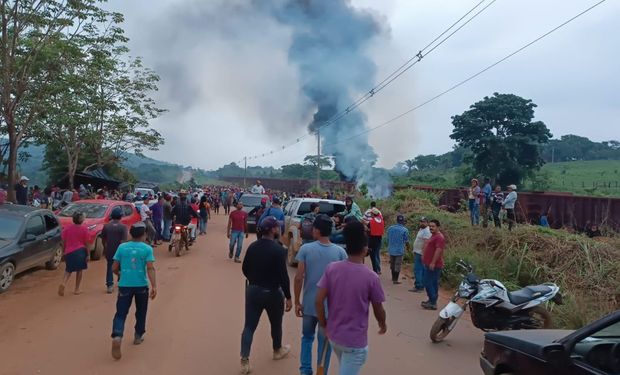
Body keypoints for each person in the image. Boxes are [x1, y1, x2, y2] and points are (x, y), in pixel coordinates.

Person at [316, 221, 387, 375]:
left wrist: (323, 323)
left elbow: (319, 300)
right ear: (365, 249)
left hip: (334, 336)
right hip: (355, 342)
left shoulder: (332, 269)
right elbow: (378, 308)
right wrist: (382, 323)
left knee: (344, 366)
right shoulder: (371, 277)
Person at [294, 214, 347, 375]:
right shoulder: (340, 253)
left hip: (309, 305)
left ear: (316, 230)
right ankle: (321, 371)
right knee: (325, 343)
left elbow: (298, 277)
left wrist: (297, 301)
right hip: (329, 308)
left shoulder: (306, 249)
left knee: (307, 338)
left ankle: (305, 370)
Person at [239, 217, 292, 374]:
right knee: (276, 324)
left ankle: (244, 361)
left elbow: (245, 269)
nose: (279, 229)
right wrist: (288, 297)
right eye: (277, 227)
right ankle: (277, 350)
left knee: (249, 326)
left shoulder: (253, 247)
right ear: (273, 230)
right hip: (273, 293)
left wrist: (255, 280)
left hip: (253, 290)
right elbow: (283, 276)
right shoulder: (279, 251)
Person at [110, 222, 157, 360]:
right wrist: (154, 286)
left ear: (131, 234)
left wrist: (120, 274)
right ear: (144, 235)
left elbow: (114, 267)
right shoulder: (147, 249)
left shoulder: (122, 247)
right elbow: (150, 268)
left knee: (120, 313)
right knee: (141, 311)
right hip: (141, 285)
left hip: (125, 285)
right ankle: (138, 335)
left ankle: (117, 335)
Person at [58, 212, 90, 296]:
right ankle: (77, 289)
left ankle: (63, 283)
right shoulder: (84, 229)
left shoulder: (67, 228)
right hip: (80, 251)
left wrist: (64, 251)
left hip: (69, 251)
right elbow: (87, 243)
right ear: (81, 220)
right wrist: (88, 254)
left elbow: (63, 241)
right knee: (79, 270)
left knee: (68, 269)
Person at [101, 207, 127, 294]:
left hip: (109, 250)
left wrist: (105, 248)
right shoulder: (123, 227)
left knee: (109, 267)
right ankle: (121, 281)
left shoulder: (106, 226)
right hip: (120, 251)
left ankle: (109, 285)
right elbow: (124, 241)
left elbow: (103, 239)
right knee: (121, 266)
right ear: (120, 216)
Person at [421, 219, 445, 310]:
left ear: (438, 227)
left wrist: (433, 262)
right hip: (429, 263)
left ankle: (433, 301)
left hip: (434, 265)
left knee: (428, 282)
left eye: (433, 226)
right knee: (432, 283)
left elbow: (439, 250)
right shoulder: (433, 236)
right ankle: (431, 300)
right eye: (430, 226)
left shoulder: (439, 237)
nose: (431, 228)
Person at [409, 217, 431, 293]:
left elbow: (426, 243)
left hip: (420, 253)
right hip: (418, 252)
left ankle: (419, 286)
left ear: (427, 223)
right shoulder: (422, 229)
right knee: (421, 270)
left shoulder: (427, 231)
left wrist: (423, 253)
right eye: (421, 221)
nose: (422, 223)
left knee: (418, 270)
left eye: (424, 222)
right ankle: (420, 285)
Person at [386, 215, 410, 285]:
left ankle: (393, 277)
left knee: (392, 264)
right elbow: (406, 241)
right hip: (399, 250)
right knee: (398, 264)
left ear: (396, 220)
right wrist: (408, 248)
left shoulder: (390, 228)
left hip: (391, 249)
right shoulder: (405, 230)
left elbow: (388, 238)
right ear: (403, 221)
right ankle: (395, 280)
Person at [367, 205, 384, 275]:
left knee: (372, 255)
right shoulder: (381, 221)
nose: (370, 214)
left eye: (371, 213)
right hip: (379, 238)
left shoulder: (372, 221)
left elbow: (368, 228)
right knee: (377, 254)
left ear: (373, 214)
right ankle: (378, 268)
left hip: (372, 239)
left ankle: (375, 270)